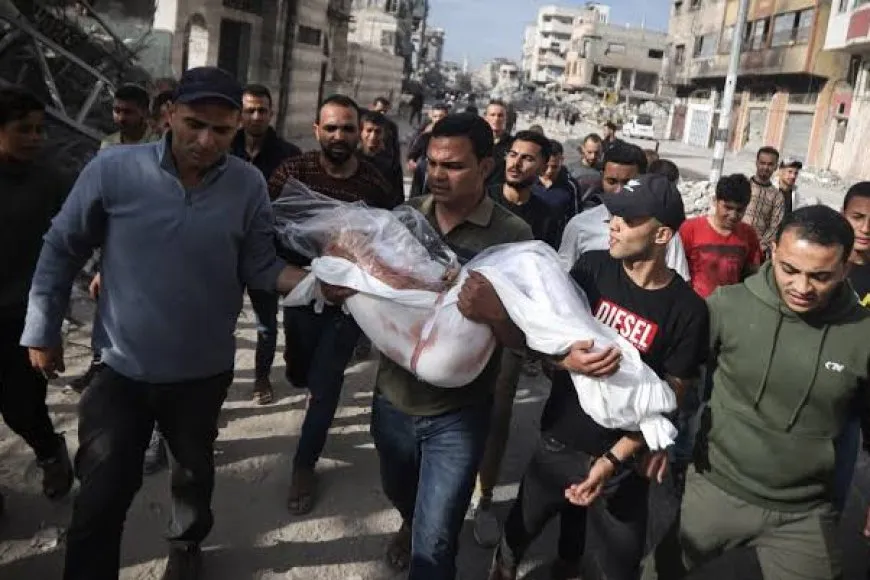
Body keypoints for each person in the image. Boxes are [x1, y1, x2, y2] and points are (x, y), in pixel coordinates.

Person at [22, 66, 311, 580]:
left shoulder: (247, 186)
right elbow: (62, 247)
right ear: (169, 114)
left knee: (193, 475)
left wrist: (326, 281)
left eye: (221, 130)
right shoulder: (113, 169)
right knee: (101, 496)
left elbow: (261, 268)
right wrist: (42, 329)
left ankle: (186, 544)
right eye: (194, 124)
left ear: (237, 129)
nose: (206, 141)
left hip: (202, 374)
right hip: (120, 370)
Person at [489, 174, 709, 580]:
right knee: (516, 538)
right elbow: (544, 342)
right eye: (614, 215)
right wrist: (565, 362)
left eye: (629, 219)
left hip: (622, 466)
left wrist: (612, 460)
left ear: (662, 235)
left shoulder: (689, 311)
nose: (614, 224)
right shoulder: (591, 269)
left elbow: (670, 399)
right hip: (558, 443)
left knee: (617, 568)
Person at [660, 205, 870, 580]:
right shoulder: (727, 306)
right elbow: (676, 374)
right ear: (773, 252)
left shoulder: (863, 334)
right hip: (715, 489)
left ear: (844, 269)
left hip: (804, 513)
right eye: (790, 269)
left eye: (820, 276)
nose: (802, 288)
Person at [371, 113, 533, 578]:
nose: (438, 174)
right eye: (432, 163)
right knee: (400, 490)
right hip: (393, 399)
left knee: (437, 541)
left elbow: (525, 340)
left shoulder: (512, 237)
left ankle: (422, 533)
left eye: (454, 166)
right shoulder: (404, 219)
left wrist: (495, 313)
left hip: (459, 415)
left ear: (486, 166)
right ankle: (410, 520)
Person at [267, 94, 397, 517]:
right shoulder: (292, 172)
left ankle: (304, 464)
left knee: (326, 383)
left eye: (348, 128)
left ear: (359, 133)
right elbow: (265, 225)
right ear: (317, 130)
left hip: (348, 303)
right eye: (332, 128)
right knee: (300, 370)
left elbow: (390, 237)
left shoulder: (375, 182)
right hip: (301, 292)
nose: (340, 136)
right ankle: (301, 374)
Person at [472, 130, 562, 548]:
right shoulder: (481, 198)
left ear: (543, 166)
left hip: (511, 328)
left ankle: (484, 498)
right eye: (512, 154)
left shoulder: (547, 216)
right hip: (465, 318)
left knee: (497, 416)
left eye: (528, 158)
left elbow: (547, 277)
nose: (516, 163)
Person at [0, 87, 75, 517]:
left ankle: (49, 451)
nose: (34, 138)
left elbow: (84, 229)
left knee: (22, 408)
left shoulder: (51, 180)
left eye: (39, 129)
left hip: (24, 317)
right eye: (23, 129)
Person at [230, 83, 302, 404]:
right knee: (220, 322)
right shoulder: (224, 148)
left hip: (267, 253)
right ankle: (217, 383)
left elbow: (297, 207)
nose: (256, 116)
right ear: (240, 114)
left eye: (262, 110)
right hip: (226, 250)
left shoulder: (288, 155)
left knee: (266, 324)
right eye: (250, 110)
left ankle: (261, 377)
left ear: (271, 113)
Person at [558, 142, 690, 281]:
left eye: (628, 183)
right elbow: (562, 278)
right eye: (611, 181)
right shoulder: (580, 225)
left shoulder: (660, 230)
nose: (619, 191)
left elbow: (678, 281)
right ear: (602, 177)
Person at [679, 174, 762, 299]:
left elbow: (752, 274)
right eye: (728, 208)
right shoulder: (690, 229)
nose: (733, 215)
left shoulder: (749, 234)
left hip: (730, 304)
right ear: (715, 201)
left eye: (739, 210)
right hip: (694, 303)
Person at [743, 146, 784, 256]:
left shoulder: (777, 196)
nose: (765, 167)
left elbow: (775, 226)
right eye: (762, 163)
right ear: (756, 163)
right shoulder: (743, 186)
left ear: (776, 167)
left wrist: (760, 247)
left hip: (758, 250)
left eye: (770, 164)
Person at [359, 109, 404, 203]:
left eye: (377, 131)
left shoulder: (391, 162)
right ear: (361, 132)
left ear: (384, 134)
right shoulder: (352, 158)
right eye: (369, 130)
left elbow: (398, 195)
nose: (373, 136)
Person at [100, 84, 158, 149]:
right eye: (117, 111)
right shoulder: (108, 144)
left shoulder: (159, 143)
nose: (121, 118)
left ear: (145, 112)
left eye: (128, 112)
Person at [538, 139, 580, 222]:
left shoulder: (571, 185)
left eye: (554, 167)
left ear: (562, 160)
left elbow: (575, 219)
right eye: (546, 166)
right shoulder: (529, 180)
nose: (549, 171)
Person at [484, 99, 513, 186]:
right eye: (492, 115)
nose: (496, 119)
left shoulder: (513, 144)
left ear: (506, 118)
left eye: (500, 115)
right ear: (485, 117)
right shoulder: (475, 141)